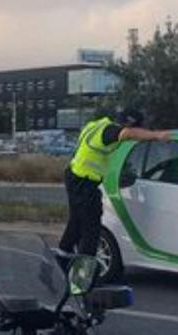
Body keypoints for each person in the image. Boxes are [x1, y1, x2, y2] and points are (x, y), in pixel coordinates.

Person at [56, 108, 171, 263]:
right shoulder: (110, 131)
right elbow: (128, 134)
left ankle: (62, 256)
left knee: (77, 221)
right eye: (138, 127)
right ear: (130, 124)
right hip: (84, 182)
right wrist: (157, 135)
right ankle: (83, 274)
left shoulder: (96, 125)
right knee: (91, 228)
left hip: (74, 176)